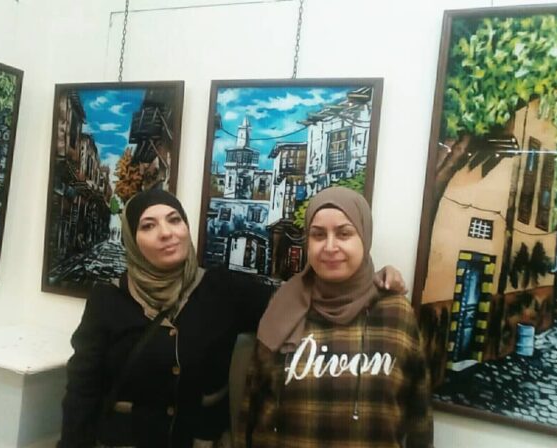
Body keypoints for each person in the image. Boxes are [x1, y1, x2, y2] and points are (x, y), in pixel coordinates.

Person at [58, 189, 407, 448]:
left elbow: (302, 298)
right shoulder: (107, 300)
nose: (167, 232)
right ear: (133, 240)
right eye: (149, 225)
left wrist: (370, 280)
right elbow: (81, 391)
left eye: (175, 220)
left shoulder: (223, 290)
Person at [238, 187, 433, 448]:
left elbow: (419, 416)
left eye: (344, 233)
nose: (330, 247)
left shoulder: (395, 313)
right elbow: (252, 403)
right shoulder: (283, 306)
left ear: (364, 236)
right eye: (318, 235)